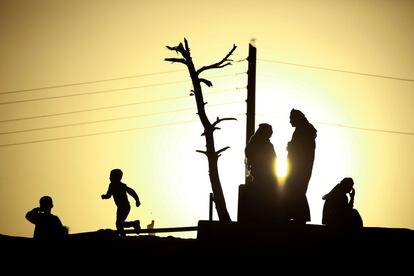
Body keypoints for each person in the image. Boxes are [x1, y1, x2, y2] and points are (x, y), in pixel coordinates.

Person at [284, 109, 317, 224]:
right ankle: (296, 215)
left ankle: (299, 216)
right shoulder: (303, 131)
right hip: (299, 168)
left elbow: (300, 151)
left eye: (291, 119)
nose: (290, 121)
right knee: (295, 191)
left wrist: (290, 146)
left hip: (299, 169)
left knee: (295, 191)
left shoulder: (303, 132)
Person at [244, 123, 280, 222]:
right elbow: (273, 160)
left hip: (259, 175)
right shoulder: (266, 146)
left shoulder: (252, 145)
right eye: (270, 131)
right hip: (266, 177)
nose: (271, 133)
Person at [101, 168, 141, 237]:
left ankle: (133, 225)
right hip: (120, 207)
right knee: (119, 223)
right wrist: (105, 196)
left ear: (117, 177)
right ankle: (132, 226)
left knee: (119, 223)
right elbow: (109, 195)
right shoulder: (111, 185)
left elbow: (131, 191)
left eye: (111, 176)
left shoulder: (121, 185)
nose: (109, 177)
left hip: (125, 207)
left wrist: (137, 200)